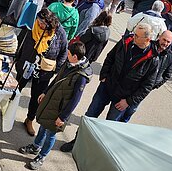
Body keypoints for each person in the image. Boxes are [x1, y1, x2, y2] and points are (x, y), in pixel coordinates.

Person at [61, 24, 159, 154]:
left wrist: (129, 101)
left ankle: (97, 152)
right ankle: (76, 141)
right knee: (90, 116)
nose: (133, 36)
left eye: (137, 35)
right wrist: (104, 76)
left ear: (147, 40)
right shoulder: (126, 41)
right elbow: (110, 57)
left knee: (108, 126)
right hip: (106, 88)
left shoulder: (153, 59)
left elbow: (147, 86)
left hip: (123, 98)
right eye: (134, 33)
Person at [19, 41, 92, 170]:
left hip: (60, 110)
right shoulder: (69, 63)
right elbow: (57, 79)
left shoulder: (81, 76)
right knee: (42, 125)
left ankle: (42, 156)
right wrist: (45, 92)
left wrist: (63, 117)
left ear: (75, 57)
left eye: (69, 53)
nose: (67, 55)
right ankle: (36, 147)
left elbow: (75, 99)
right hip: (52, 101)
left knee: (50, 134)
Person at [15, 9, 68, 136]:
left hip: (43, 71)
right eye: (38, 21)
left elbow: (64, 52)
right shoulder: (32, 26)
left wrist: (55, 68)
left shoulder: (59, 33)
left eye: (42, 22)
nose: (39, 24)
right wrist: (17, 57)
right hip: (26, 64)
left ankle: (29, 120)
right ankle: (8, 110)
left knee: (36, 98)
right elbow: (20, 40)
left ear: (49, 24)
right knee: (15, 89)